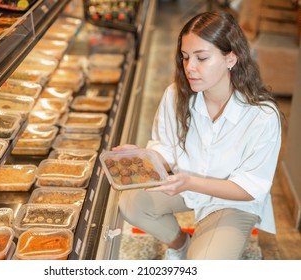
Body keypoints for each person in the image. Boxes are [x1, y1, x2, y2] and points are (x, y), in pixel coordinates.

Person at [116, 10, 282, 260]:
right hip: (188, 187)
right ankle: (181, 244)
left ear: (231, 58)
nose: (190, 68)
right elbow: (167, 148)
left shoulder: (262, 115)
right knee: (131, 204)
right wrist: (143, 157)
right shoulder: (175, 95)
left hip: (232, 203)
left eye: (201, 58)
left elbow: (251, 187)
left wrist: (190, 182)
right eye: (185, 57)